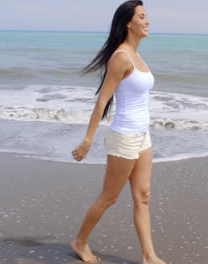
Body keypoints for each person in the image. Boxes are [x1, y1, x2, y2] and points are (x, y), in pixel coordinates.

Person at [70, 1, 166, 264]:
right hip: (124, 137)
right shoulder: (121, 57)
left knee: (143, 196)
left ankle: (149, 256)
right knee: (110, 196)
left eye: (147, 17)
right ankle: (80, 241)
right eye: (142, 17)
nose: (147, 21)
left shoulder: (137, 55)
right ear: (128, 23)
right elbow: (102, 101)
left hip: (142, 136)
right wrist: (87, 140)